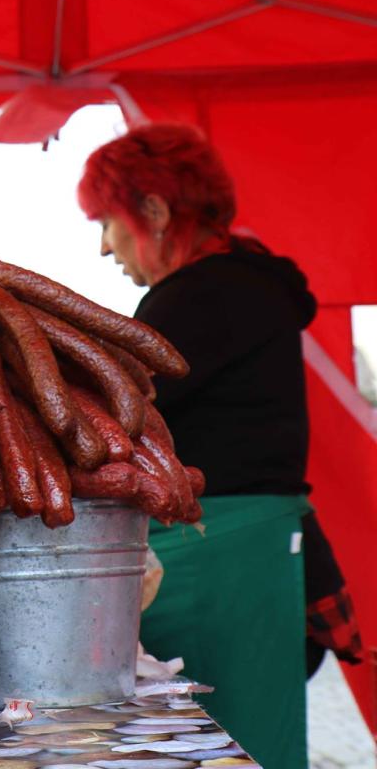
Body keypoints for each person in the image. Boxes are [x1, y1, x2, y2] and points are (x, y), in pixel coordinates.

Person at [78, 122, 359, 769]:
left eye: (107, 223)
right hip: (244, 549)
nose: (102, 248)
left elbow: (108, 417)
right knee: (240, 742)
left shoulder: (204, 296)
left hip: (219, 554)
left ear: (152, 211)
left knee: (220, 746)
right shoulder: (244, 285)